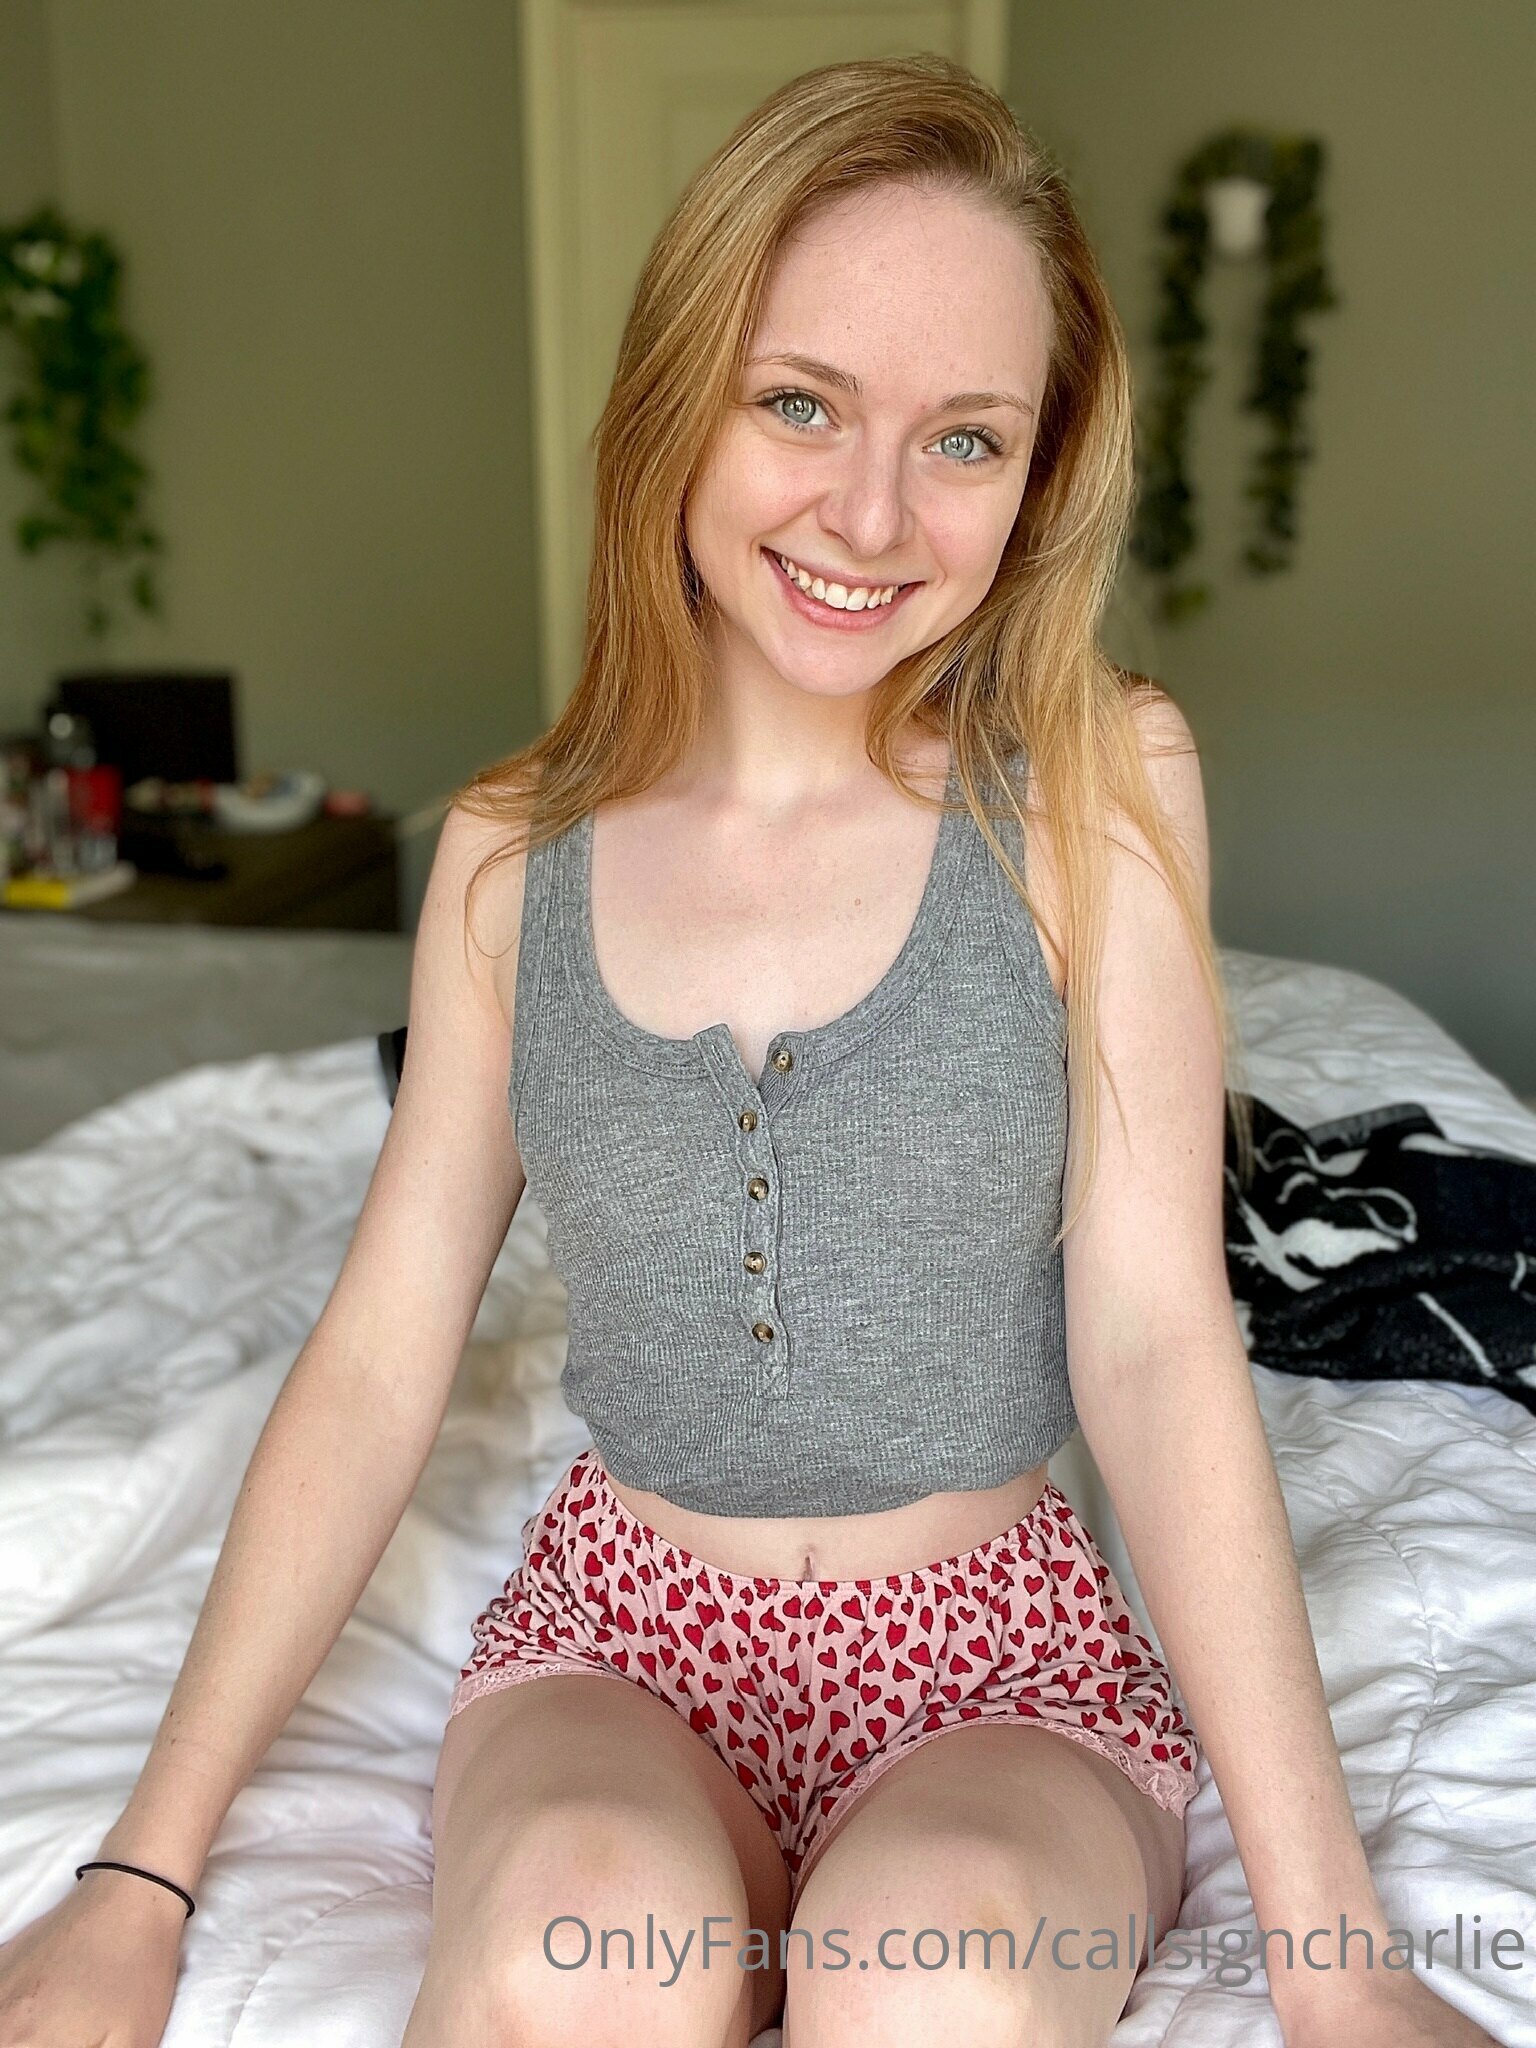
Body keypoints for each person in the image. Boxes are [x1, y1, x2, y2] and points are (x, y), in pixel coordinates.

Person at [0, 54, 1501, 2048]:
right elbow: (376, 1355)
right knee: (574, 1941)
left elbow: (1155, 1337)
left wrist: (1334, 1959)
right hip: (618, 1643)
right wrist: (137, 1874)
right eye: (799, 402)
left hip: (1003, 1667)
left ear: (1038, 474)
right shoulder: (508, 856)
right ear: (676, 398)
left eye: (964, 440)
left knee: (933, 1974)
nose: (871, 515)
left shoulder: (1096, 783)